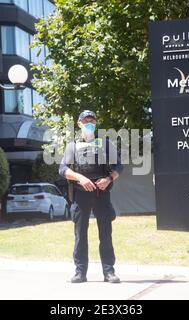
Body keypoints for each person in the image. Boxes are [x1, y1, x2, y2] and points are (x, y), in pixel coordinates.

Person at [59, 110, 123, 284]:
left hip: (102, 193)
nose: (89, 123)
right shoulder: (72, 146)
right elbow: (63, 169)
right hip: (81, 193)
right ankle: (80, 273)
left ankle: (109, 273)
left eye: (92, 120)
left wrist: (109, 178)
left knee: (106, 234)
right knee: (80, 235)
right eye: (86, 120)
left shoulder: (105, 143)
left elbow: (119, 166)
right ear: (79, 124)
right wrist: (81, 178)